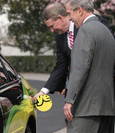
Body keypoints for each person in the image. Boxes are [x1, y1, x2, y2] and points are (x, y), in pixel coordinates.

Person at [32, 3, 113, 101]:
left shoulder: (93, 24)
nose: (52, 31)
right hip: (75, 92)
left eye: (52, 26)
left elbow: (108, 50)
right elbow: (61, 65)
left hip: (99, 89)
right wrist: (44, 91)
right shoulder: (60, 37)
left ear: (60, 18)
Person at [64, 0, 115, 132]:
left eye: (70, 13)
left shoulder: (86, 31)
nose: (69, 18)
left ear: (80, 10)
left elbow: (80, 69)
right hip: (107, 106)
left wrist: (69, 100)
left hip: (86, 107)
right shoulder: (106, 31)